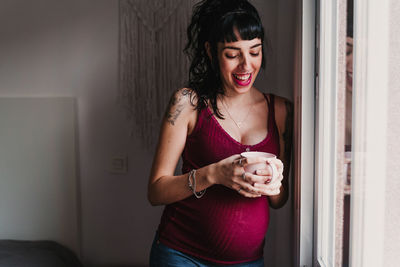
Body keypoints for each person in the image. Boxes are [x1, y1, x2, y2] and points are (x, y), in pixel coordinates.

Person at [147, 0, 293, 266]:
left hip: (248, 261)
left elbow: (279, 200)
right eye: (232, 54)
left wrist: (273, 182)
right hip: (181, 255)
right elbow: (156, 191)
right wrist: (214, 174)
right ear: (211, 53)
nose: (246, 66)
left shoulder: (281, 111)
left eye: (255, 51)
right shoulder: (188, 103)